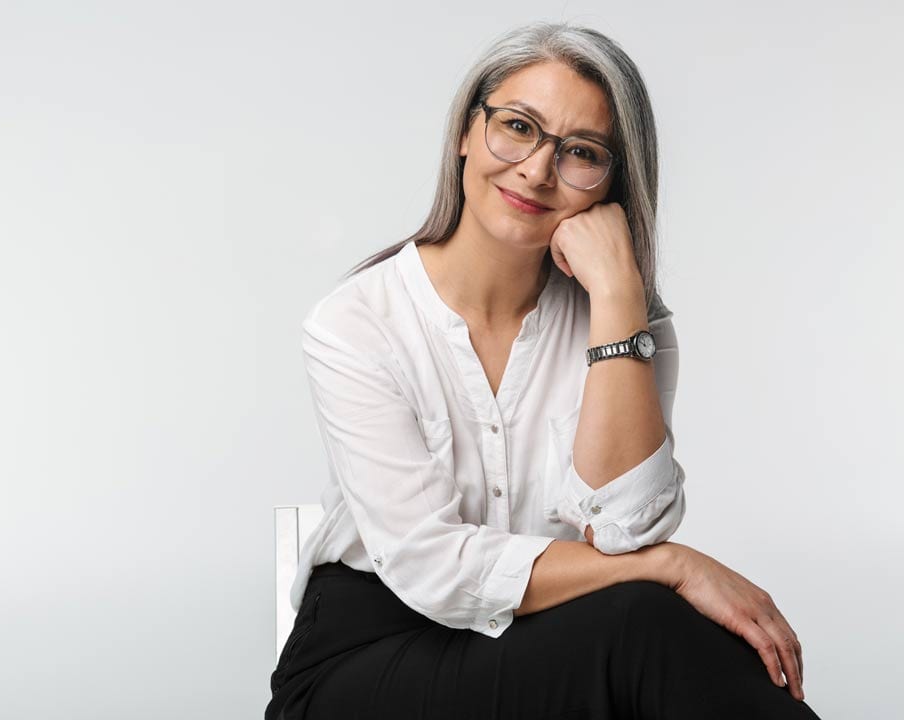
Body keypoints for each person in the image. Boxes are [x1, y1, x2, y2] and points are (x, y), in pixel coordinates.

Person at [266, 20, 823, 720]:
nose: (535, 170)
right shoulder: (356, 321)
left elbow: (624, 532)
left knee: (646, 627)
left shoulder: (627, 320)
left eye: (581, 152)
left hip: (544, 646)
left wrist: (618, 295)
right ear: (466, 132)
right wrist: (674, 565)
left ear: (613, 185)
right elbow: (432, 566)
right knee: (647, 620)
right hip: (367, 660)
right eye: (519, 127)